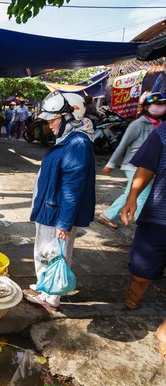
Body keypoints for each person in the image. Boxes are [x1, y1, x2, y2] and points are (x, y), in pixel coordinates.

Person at [25, 92, 96, 310]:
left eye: (53, 119)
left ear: (70, 116)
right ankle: (45, 285)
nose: (50, 124)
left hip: (57, 212)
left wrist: (65, 223)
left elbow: (73, 187)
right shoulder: (68, 139)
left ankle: (51, 297)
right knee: (44, 250)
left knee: (54, 252)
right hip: (50, 206)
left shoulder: (78, 143)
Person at [120, 122, 166, 359]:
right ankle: (137, 289)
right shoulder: (163, 132)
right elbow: (146, 167)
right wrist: (132, 197)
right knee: (141, 270)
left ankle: (165, 331)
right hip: (159, 216)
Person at [97, 92, 166, 229]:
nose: (160, 107)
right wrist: (110, 163)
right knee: (142, 195)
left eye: (163, 104)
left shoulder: (160, 124)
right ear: (146, 107)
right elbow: (122, 145)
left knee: (131, 193)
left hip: (150, 166)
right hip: (133, 165)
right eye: (156, 104)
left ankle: (107, 215)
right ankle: (143, 226)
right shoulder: (137, 124)